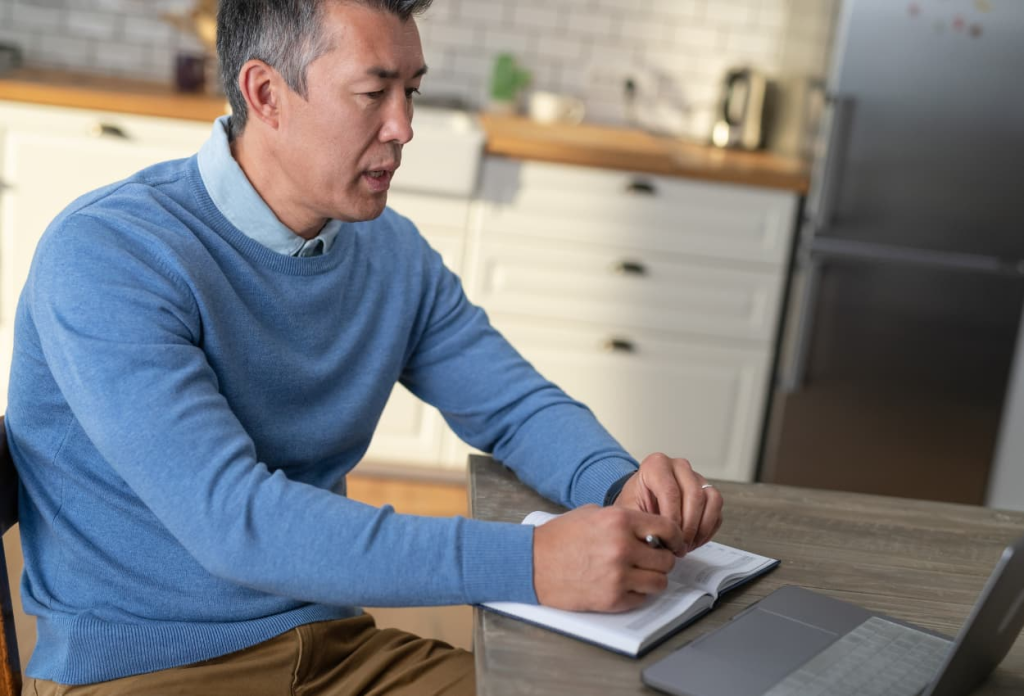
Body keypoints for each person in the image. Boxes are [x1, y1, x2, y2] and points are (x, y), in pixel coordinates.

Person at [7, 0, 724, 693]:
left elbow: (515, 406)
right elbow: (237, 523)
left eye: (411, 91)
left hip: (338, 650)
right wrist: (532, 562)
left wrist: (616, 483)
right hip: (146, 670)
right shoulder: (111, 255)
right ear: (266, 93)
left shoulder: (392, 257)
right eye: (374, 93)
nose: (404, 127)